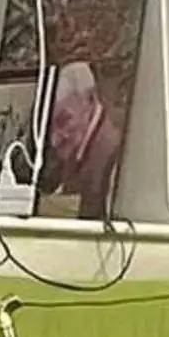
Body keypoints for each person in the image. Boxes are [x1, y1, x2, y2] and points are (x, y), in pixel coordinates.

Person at [40, 61, 121, 219]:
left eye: (64, 120)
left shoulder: (115, 156)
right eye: (50, 126)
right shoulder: (76, 146)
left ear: (90, 100)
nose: (54, 140)